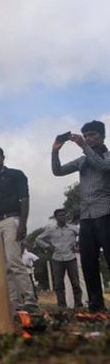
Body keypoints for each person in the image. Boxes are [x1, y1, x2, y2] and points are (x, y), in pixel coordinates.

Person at [52, 121, 110, 312]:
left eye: (92, 135)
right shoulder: (82, 160)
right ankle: (95, 304)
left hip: (106, 212)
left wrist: (84, 147)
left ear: (103, 136)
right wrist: (55, 151)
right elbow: (58, 171)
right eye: (85, 136)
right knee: (88, 261)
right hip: (86, 217)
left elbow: (102, 166)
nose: (88, 139)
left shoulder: (107, 156)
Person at [0, 146, 39, 311]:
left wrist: (23, 223)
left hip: (12, 219)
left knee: (14, 261)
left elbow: (24, 198)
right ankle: (14, 302)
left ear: (3, 157)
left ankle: (30, 299)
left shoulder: (16, 175)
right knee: (5, 266)